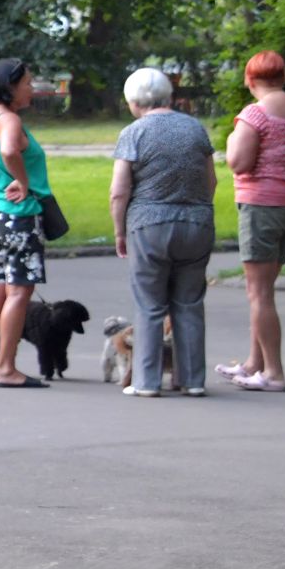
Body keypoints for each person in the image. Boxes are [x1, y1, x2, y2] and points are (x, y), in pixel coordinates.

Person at [219, 50, 285, 392]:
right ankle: (254, 364)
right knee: (263, 290)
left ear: (250, 80)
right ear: (283, 77)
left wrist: (231, 140)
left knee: (259, 293)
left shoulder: (255, 115)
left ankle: (274, 374)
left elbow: (238, 163)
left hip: (262, 206)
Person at [109, 68, 216, 397]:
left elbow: (119, 191)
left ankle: (146, 382)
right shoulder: (196, 129)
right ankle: (192, 381)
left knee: (150, 305)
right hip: (197, 224)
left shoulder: (134, 133)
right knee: (189, 303)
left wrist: (119, 230)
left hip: (149, 225)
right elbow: (211, 180)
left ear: (134, 101)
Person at [0, 58, 51, 388]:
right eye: (28, 83)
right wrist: (23, 182)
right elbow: (8, 151)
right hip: (17, 217)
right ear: (11, 86)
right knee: (19, 291)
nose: (32, 88)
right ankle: (7, 368)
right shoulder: (9, 121)